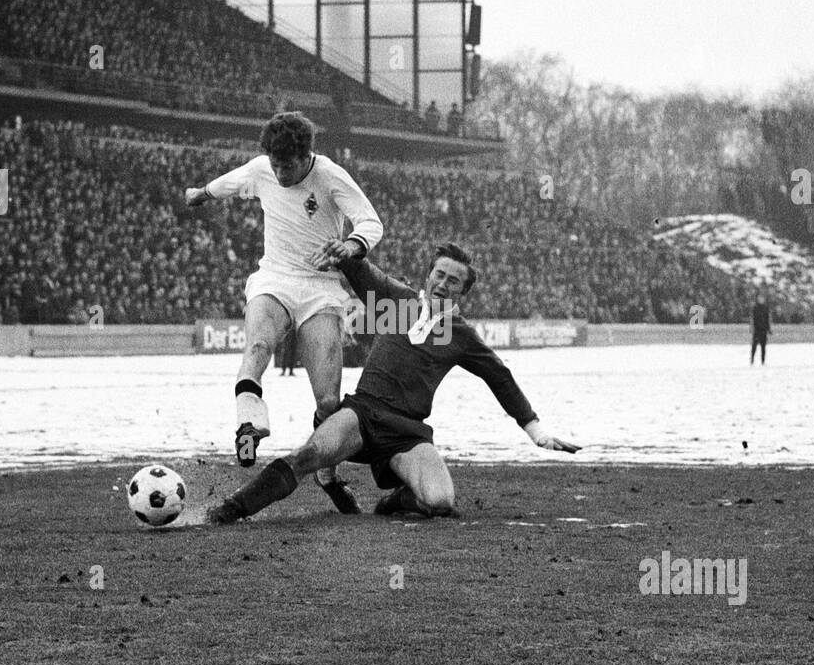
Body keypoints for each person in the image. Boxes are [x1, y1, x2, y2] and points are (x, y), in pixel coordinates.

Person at [206, 241, 579, 524]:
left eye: (454, 281)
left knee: (440, 502)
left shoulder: (462, 335)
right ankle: (230, 509)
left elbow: (501, 377)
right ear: (428, 275)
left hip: (408, 433)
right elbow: (362, 271)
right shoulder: (397, 300)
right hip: (363, 413)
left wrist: (536, 430)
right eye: (439, 275)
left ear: (463, 292)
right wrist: (345, 247)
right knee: (307, 456)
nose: (443, 284)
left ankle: (393, 501)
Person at [183, 111, 384, 512]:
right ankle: (250, 425)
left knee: (328, 402)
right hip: (274, 278)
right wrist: (201, 193)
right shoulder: (263, 170)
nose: (278, 172)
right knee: (257, 344)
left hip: (321, 290)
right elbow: (231, 181)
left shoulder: (329, 176)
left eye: (287, 165)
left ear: (306, 155)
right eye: (274, 163)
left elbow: (370, 221)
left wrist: (353, 245)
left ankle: (328, 475)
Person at [750, 286, 772, 365]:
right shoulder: (755, 308)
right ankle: (752, 360)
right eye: (760, 298)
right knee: (754, 346)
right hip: (757, 330)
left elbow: (767, 319)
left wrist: (769, 329)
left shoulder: (766, 308)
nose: (761, 300)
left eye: (762, 298)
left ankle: (763, 362)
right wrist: (752, 328)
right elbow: (752, 319)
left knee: (763, 347)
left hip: (764, 330)